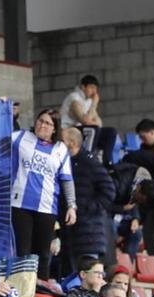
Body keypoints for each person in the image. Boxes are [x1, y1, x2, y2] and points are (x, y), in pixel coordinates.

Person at [8, 109, 75, 262]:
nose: (42, 125)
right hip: (19, 205)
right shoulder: (20, 137)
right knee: (22, 253)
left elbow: (67, 179)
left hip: (46, 207)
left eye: (47, 123)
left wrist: (72, 205)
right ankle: (22, 286)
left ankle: (41, 286)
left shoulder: (60, 149)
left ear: (54, 128)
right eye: (40, 120)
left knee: (43, 255)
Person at [60, 125, 114, 274]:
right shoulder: (66, 163)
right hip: (70, 233)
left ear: (71, 143)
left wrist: (84, 208)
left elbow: (109, 190)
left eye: (61, 140)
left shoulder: (89, 162)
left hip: (89, 234)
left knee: (89, 276)